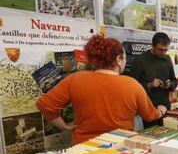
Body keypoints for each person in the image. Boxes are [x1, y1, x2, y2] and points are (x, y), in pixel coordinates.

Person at [36, 35, 166, 144]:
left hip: (83, 149)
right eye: (124, 58)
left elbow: (44, 105)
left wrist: (63, 126)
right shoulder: (132, 84)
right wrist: (160, 110)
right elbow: (150, 115)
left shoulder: (75, 79)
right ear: (119, 60)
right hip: (121, 147)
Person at [128, 32, 178, 128]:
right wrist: (150, 85)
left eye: (165, 50)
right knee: (151, 137)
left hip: (165, 106)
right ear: (152, 46)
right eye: (160, 50)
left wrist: (169, 84)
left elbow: (174, 81)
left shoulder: (167, 59)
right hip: (148, 108)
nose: (163, 53)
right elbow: (131, 87)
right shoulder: (140, 60)